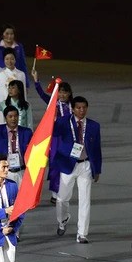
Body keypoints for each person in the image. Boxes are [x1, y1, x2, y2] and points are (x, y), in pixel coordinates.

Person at [53, 96, 101, 244]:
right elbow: (53, 133)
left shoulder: (93, 126)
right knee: (61, 199)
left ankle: (82, 234)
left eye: (84, 107)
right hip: (67, 164)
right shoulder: (63, 122)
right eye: (78, 108)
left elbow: (97, 148)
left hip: (85, 165)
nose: (82, 110)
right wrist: (53, 119)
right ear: (72, 109)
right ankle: (62, 220)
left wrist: (97, 169)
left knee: (85, 200)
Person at [31, 70, 73, 203]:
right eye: (60, 92)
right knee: (55, 165)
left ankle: (65, 193)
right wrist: (36, 81)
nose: (62, 95)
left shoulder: (74, 106)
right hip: (56, 139)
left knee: (68, 165)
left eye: (65, 92)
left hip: (69, 139)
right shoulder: (53, 103)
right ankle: (55, 194)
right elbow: (42, 95)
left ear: (69, 93)